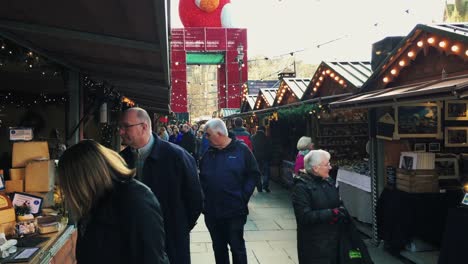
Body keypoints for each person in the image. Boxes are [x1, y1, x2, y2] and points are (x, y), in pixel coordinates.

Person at [57, 140, 169, 264]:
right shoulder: (95, 202)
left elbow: (150, 257)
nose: (67, 192)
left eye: (68, 185)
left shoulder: (135, 199)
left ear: (82, 180)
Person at [119, 107, 203, 264]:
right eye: (120, 127)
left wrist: (178, 228)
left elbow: (195, 200)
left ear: (143, 126)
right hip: (132, 245)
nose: (121, 132)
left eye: (125, 126)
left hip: (171, 243)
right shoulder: (119, 161)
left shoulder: (177, 157)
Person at [199, 118, 260, 264]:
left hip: (234, 211)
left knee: (237, 248)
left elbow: (254, 174)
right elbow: (202, 178)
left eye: (208, 134)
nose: (205, 138)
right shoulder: (208, 154)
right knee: (218, 249)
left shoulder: (242, 150)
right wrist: (203, 202)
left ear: (219, 133)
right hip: (212, 212)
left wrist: (243, 196)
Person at [291, 150, 348, 264]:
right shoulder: (301, 187)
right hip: (314, 245)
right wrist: (332, 213)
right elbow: (304, 216)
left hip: (333, 241)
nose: (330, 167)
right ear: (316, 168)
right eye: (327, 164)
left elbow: (337, 202)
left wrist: (341, 210)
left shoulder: (328, 181)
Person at [251, 126, 272, 192]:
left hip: (255, 158)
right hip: (265, 158)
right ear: (264, 130)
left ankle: (259, 187)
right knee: (266, 173)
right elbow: (269, 149)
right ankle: (265, 186)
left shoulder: (252, 137)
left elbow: (251, 149)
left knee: (257, 173)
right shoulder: (267, 138)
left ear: (257, 130)